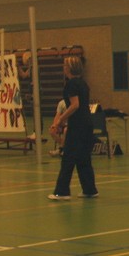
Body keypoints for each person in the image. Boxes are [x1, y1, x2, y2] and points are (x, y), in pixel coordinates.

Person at [48, 56, 98, 200]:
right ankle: (89, 189)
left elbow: (75, 105)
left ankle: (62, 192)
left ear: (69, 68)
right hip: (87, 124)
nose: (63, 68)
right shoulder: (83, 83)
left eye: (65, 66)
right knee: (83, 158)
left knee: (68, 157)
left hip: (78, 126)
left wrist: (61, 120)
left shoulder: (71, 84)